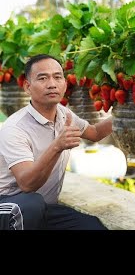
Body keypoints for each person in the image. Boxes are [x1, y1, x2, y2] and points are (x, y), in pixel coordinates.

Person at [0, 54, 113, 230]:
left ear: (65, 85)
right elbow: (27, 184)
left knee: (92, 226)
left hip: (45, 209)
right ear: (27, 87)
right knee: (30, 204)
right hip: (8, 205)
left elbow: (96, 132)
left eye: (57, 77)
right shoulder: (14, 128)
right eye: (43, 78)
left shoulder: (63, 115)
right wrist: (57, 146)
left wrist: (128, 114)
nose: (52, 83)